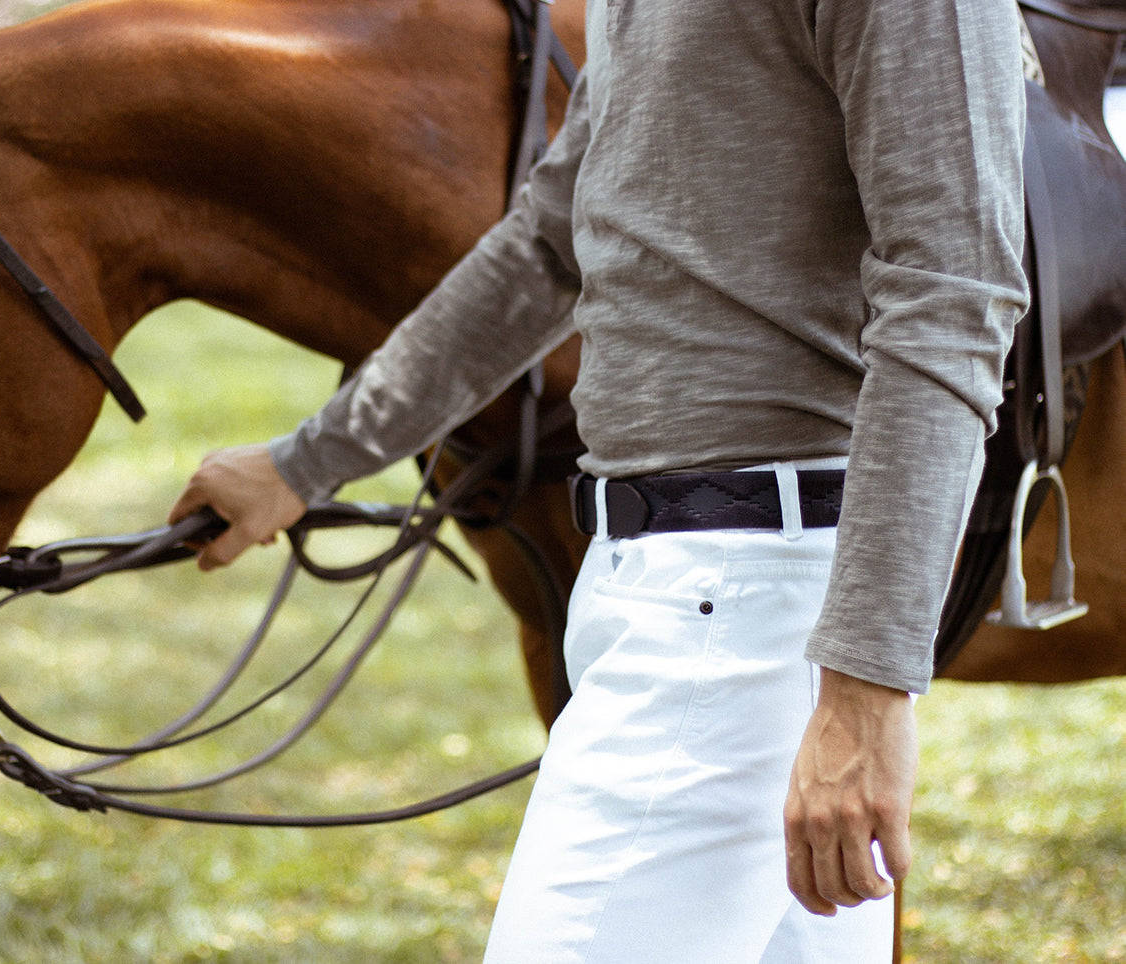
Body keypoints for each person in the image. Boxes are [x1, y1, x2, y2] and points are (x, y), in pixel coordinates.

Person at [168, 0, 1029, 958]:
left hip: (747, 612)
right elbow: (544, 246)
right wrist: (305, 463)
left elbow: (952, 302)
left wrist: (866, 688)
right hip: (655, 587)